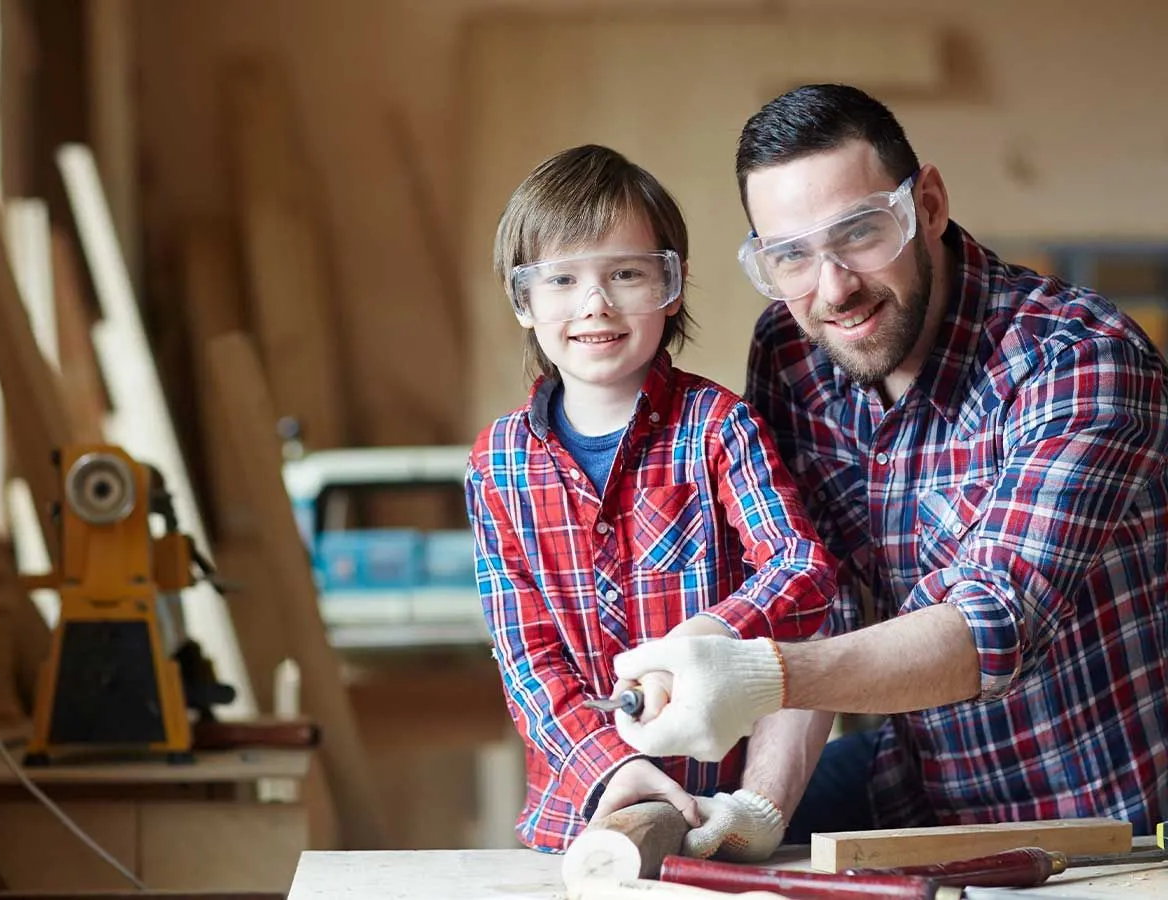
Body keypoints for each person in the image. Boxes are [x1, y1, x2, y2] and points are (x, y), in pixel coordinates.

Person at [613, 83, 1168, 852]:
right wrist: (761, 810)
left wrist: (756, 673)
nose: (833, 288)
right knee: (685, 847)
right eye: (791, 256)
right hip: (915, 783)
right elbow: (819, 603)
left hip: (1099, 812)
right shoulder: (792, 350)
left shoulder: (1079, 358)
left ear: (928, 205)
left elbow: (991, 627)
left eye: (862, 233)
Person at [464, 144, 842, 856]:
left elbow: (803, 571)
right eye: (561, 279)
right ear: (524, 300)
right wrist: (614, 767)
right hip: (582, 816)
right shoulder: (497, 466)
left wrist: (713, 631)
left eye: (627, 274)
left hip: (720, 815)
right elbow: (526, 657)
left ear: (673, 286)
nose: (594, 304)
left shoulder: (718, 429)